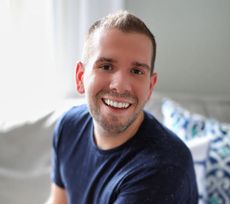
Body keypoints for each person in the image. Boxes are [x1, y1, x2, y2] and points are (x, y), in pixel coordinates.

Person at [47, 10, 198, 204]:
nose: (120, 85)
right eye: (106, 66)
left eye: (136, 71)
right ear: (80, 77)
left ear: (150, 86)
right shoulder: (68, 126)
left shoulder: (164, 169)